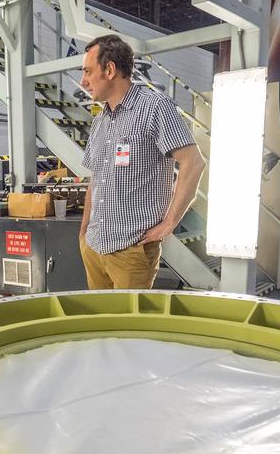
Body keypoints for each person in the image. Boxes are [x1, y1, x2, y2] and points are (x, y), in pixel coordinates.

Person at [77, 34, 205, 289]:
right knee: (100, 315)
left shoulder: (154, 108)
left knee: (128, 317)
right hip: (93, 245)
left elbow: (193, 163)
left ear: (110, 70)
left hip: (131, 250)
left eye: (88, 71)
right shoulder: (100, 120)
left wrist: (169, 223)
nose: (83, 81)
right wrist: (83, 231)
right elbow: (96, 178)